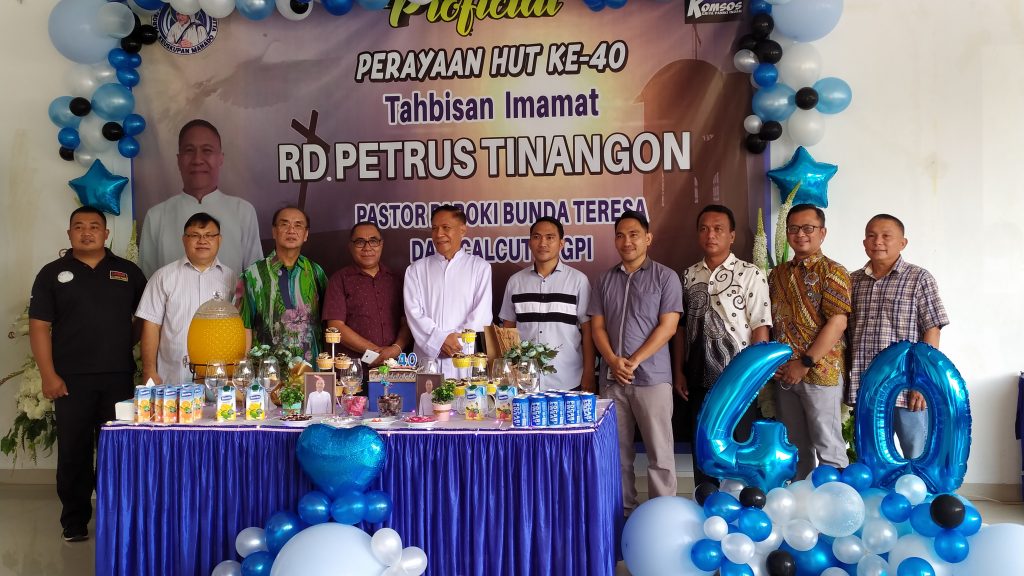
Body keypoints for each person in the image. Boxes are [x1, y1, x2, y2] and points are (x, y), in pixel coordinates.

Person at [29, 206, 146, 542]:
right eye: (79, 226)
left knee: (117, 451)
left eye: (94, 226)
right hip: (70, 380)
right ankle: (74, 520)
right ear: (69, 234)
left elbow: (145, 319)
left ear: (106, 234)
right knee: (74, 451)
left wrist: (121, 343)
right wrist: (48, 376)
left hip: (118, 377)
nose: (87, 232)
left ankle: (116, 517)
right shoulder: (51, 274)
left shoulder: (128, 272)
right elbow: (39, 327)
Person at [589, 210, 683, 514]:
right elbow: (597, 327)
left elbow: (668, 326)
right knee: (616, 455)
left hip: (652, 379)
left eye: (634, 235)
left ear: (648, 238)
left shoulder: (666, 277)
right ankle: (622, 514)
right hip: (612, 380)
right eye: (620, 235)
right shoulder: (604, 280)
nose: (626, 241)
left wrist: (633, 360)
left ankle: (662, 517)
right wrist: (612, 361)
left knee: (660, 454)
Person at [675, 205, 772, 487]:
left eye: (718, 229)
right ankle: (706, 500)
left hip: (738, 380)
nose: (711, 235)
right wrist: (679, 371)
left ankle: (744, 504)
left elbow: (761, 327)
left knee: (740, 446)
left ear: (732, 236)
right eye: (704, 229)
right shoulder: (688, 276)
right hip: (698, 379)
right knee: (703, 447)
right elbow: (681, 329)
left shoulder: (750, 274)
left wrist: (755, 377)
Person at [847, 214, 948, 458]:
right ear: (864, 242)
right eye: (871, 236)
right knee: (870, 457)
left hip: (907, 387)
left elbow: (932, 329)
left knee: (917, 455)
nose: (877, 241)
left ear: (903, 243)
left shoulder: (919, 279)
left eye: (886, 236)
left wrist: (923, 383)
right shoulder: (853, 281)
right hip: (866, 388)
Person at [768, 204, 852, 480]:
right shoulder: (777, 274)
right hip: (785, 374)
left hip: (820, 372)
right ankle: (799, 501)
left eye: (808, 228)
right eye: (793, 228)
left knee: (828, 446)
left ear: (822, 232)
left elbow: (838, 323)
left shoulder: (833, 272)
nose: (800, 234)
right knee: (794, 448)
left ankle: (836, 503)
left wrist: (805, 362)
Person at [139, 119, 262, 278]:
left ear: (220, 158)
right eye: (189, 150)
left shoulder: (243, 212)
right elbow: (147, 280)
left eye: (207, 150)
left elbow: (255, 280)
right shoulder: (156, 216)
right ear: (179, 159)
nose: (197, 160)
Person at [137, 213, 237, 385]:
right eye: (195, 235)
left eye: (209, 235)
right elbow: (151, 325)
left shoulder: (231, 279)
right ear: (184, 240)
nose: (202, 241)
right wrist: (149, 370)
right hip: (172, 379)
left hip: (219, 380)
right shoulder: (163, 277)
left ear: (219, 240)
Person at [499, 216, 595, 391]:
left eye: (550, 237)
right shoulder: (515, 282)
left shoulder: (578, 281)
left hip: (568, 379)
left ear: (561, 243)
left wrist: (588, 373)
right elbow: (508, 330)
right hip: (524, 380)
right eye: (537, 237)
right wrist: (510, 372)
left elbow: (588, 331)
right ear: (530, 243)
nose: (542, 243)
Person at [404, 206, 492, 378]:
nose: (439, 234)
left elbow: (481, 316)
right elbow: (414, 314)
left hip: (464, 357)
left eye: (446, 228)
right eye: (434, 228)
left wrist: (456, 343)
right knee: (427, 394)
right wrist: (439, 340)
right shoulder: (416, 270)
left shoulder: (480, 267)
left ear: (462, 230)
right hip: (428, 358)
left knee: (466, 394)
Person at [237, 206, 327, 363]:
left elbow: (328, 322)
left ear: (306, 234)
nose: (291, 230)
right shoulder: (253, 275)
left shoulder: (315, 272)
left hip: (311, 369)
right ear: (274, 231)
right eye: (284, 224)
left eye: (298, 225)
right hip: (267, 369)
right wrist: (244, 366)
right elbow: (244, 326)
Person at [323, 221, 411, 374]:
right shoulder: (339, 280)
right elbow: (336, 327)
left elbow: (407, 322)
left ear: (381, 244)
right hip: (352, 371)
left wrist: (395, 350)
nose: (367, 247)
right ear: (350, 246)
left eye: (373, 241)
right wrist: (376, 353)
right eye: (360, 242)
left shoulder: (397, 279)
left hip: (394, 369)